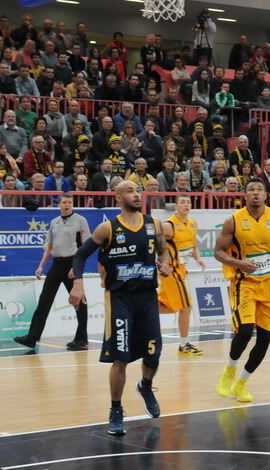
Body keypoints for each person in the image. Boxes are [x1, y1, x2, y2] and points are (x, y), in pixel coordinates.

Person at [68, 181, 172, 436]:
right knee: (121, 357)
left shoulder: (154, 224)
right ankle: (116, 409)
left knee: (153, 354)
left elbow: (163, 250)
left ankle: (145, 386)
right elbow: (80, 255)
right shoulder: (108, 228)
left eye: (138, 190)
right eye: (130, 191)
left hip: (147, 297)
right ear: (118, 197)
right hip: (120, 299)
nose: (136, 194)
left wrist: (165, 263)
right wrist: (78, 284)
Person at [213, 178, 270, 403]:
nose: (256, 193)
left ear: (266, 195)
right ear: (244, 195)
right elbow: (218, 251)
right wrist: (238, 264)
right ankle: (229, 370)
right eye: (251, 190)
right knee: (245, 331)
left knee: (265, 339)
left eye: (260, 190)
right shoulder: (233, 221)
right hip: (244, 283)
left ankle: (242, 382)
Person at [13, 195, 90, 350]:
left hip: (72, 263)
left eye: (69, 202)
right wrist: (41, 265)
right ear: (59, 205)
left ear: (73, 205)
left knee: (78, 299)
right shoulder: (54, 222)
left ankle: (82, 338)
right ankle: (32, 337)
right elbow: (49, 246)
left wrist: (76, 267)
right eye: (64, 202)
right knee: (44, 301)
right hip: (57, 264)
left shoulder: (80, 220)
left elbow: (85, 246)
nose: (66, 205)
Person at [159, 194, 207, 355]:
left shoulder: (193, 224)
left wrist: (198, 259)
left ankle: (142, 307)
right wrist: (163, 262)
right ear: (176, 206)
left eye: (188, 202)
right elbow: (158, 244)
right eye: (182, 202)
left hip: (182, 270)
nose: (186, 204)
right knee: (186, 307)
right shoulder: (169, 225)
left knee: (172, 307)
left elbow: (193, 245)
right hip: (171, 271)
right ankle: (184, 344)